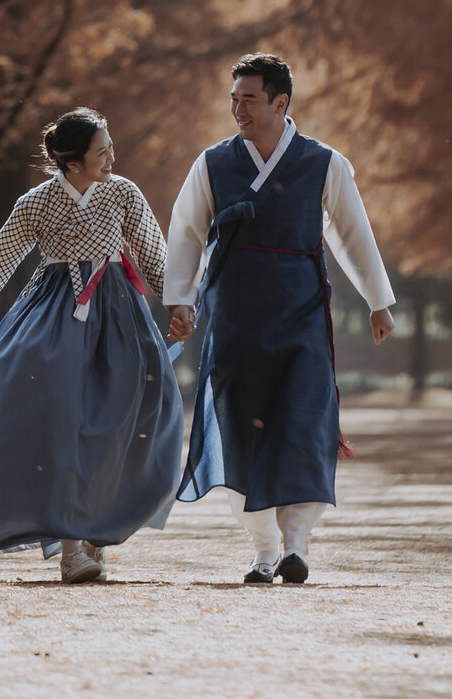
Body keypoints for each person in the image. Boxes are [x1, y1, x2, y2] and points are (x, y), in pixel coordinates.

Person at [164, 53, 396, 584]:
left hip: (303, 315)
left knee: (305, 427)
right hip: (235, 320)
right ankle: (264, 547)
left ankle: (296, 544)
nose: (237, 109)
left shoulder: (323, 163)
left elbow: (352, 233)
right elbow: (186, 232)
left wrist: (377, 299)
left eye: (248, 98)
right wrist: (181, 298)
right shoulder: (213, 163)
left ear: (280, 102)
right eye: (234, 98)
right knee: (240, 433)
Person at [0, 107, 184, 584]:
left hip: (120, 315)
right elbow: (4, 255)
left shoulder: (123, 193)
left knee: (120, 417)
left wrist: (179, 305)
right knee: (61, 418)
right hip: (55, 315)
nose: (112, 157)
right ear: (73, 163)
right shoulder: (35, 203)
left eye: (110, 147)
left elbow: (154, 251)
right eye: (102, 151)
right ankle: (71, 550)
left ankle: (100, 524)